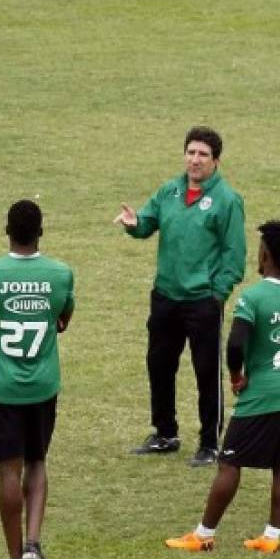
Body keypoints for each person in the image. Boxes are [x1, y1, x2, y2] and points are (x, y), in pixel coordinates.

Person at [165, 221, 280, 554]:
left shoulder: (254, 297)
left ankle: (204, 534)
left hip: (261, 394)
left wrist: (236, 376)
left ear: (268, 254)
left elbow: (235, 345)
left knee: (230, 462)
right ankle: (271, 537)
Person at [115, 126, 246, 466]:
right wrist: (134, 224)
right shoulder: (169, 191)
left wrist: (217, 294)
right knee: (159, 365)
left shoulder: (227, 200)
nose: (195, 160)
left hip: (202, 301)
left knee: (206, 370)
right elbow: (147, 222)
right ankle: (165, 433)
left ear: (215, 160)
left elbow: (234, 257)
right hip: (165, 297)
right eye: (191, 152)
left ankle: (209, 442)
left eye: (203, 154)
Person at [0, 200, 75, 559]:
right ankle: (33, 546)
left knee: (8, 470)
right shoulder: (61, 275)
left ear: (6, 231)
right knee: (38, 461)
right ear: (41, 231)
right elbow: (62, 320)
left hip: (1, 387)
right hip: (43, 385)